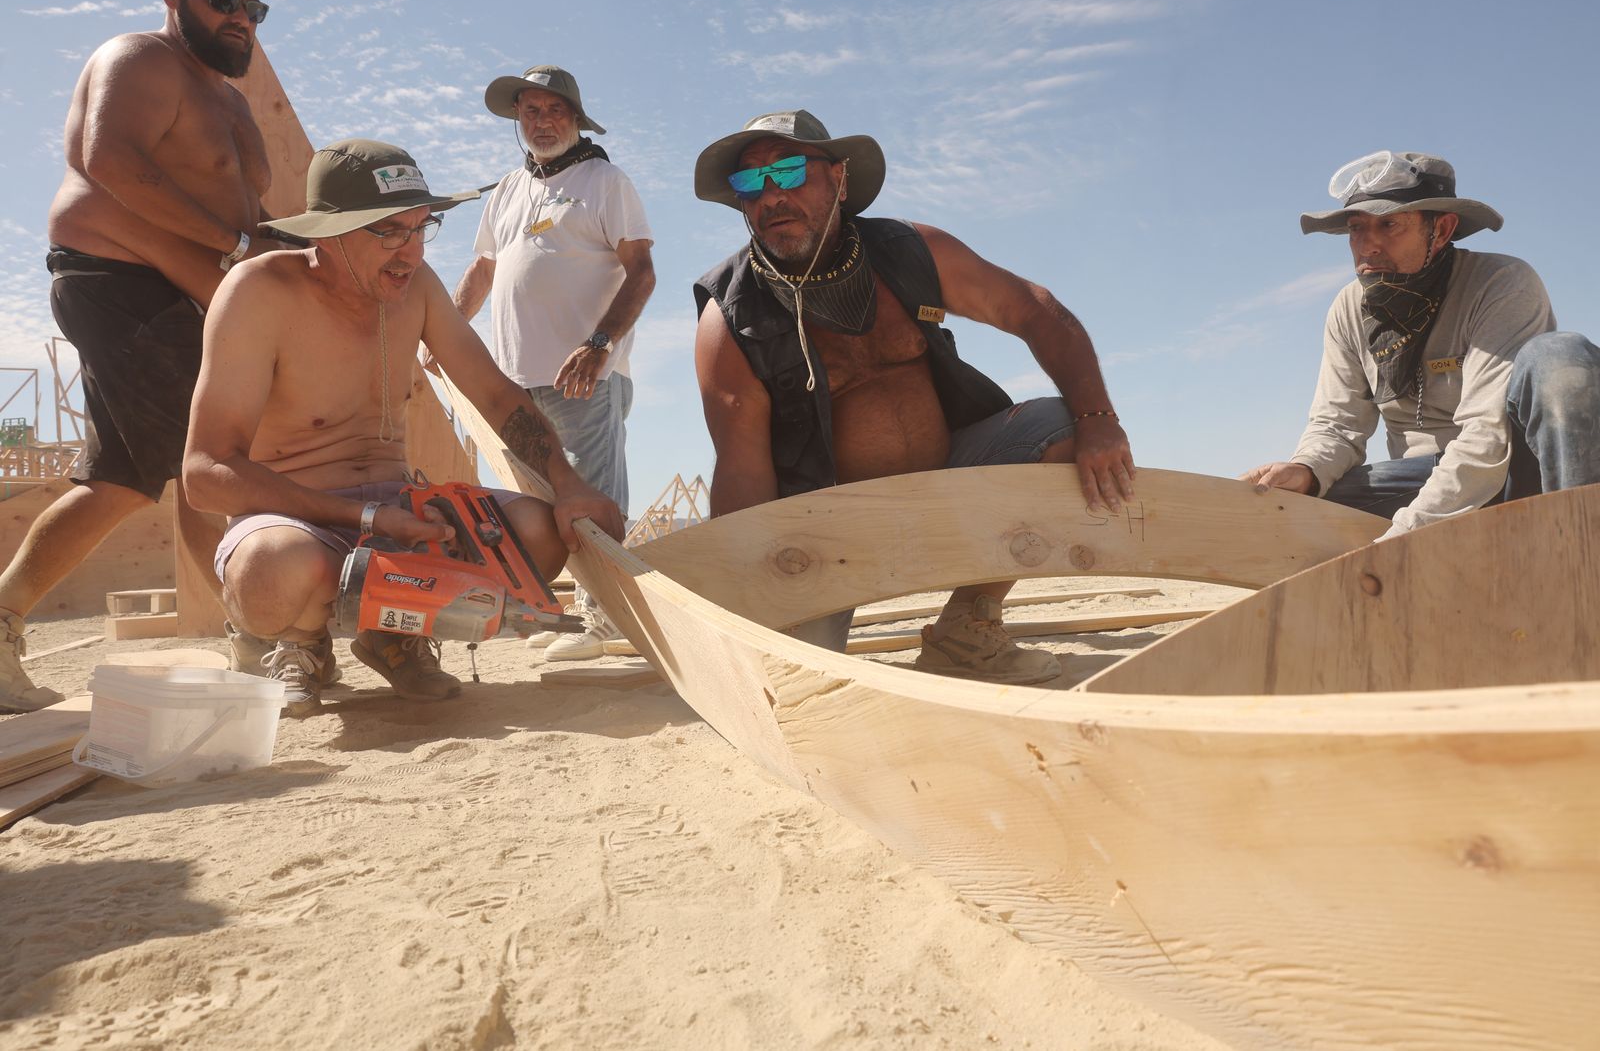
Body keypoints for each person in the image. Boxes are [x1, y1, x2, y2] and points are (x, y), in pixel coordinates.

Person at [183, 139, 624, 718]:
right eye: (388, 231)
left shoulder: (416, 289)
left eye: (422, 228)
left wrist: (568, 484)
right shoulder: (260, 292)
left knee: (539, 534)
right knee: (272, 573)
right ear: (326, 234)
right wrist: (364, 518)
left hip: (403, 510)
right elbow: (205, 475)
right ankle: (297, 643)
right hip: (295, 518)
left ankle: (393, 637)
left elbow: (495, 395)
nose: (410, 253)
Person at [691, 111, 1133, 686]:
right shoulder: (729, 316)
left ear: (839, 179)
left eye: (791, 170)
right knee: (794, 680)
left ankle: (966, 631)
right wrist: (751, 605)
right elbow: (742, 465)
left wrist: (1099, 418)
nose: (772, 194)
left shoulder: (909, 250)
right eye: (751, 182)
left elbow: (1031, 306)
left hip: (948, 482)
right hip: (824, 528)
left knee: (1060, 427)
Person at [1, 0, 275, 713]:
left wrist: (283, 249)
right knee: (211, 461)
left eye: (255, 8)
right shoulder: (141, 60)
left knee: (122, 480)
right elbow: (107, 162)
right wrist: (234, 246)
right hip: (122, 280)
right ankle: (259, 643)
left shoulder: (232, 103)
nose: (240, 18)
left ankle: (0, 617)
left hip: (182, 292)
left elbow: (247, 216)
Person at [1241, 150, 1600, 536]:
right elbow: (1337, 425)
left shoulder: (1501, 283)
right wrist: (1307, 471)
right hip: (1424, 480)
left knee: (1559, 358)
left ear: (1442, 230)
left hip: (1515, 472)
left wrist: (1405, 537)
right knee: (1299, 513)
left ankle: (1579, 547)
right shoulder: (1348, 308)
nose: (1369, 245)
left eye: (1390, 224)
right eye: (1357, 228)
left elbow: (1486, 436)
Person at [451, 65, 654, 661]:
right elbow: (483, 271)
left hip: (585, 374)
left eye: (554, 111)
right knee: (538, 504)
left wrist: (599, 344)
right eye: (531, 112)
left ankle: (612, 621)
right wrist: (441, 336)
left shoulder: (604, 181)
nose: (542, 122)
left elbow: (641, 272)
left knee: (591, 495)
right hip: (513, 381)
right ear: (519, 120)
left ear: (575, 117)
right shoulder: (508, 189)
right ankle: (572, 611)